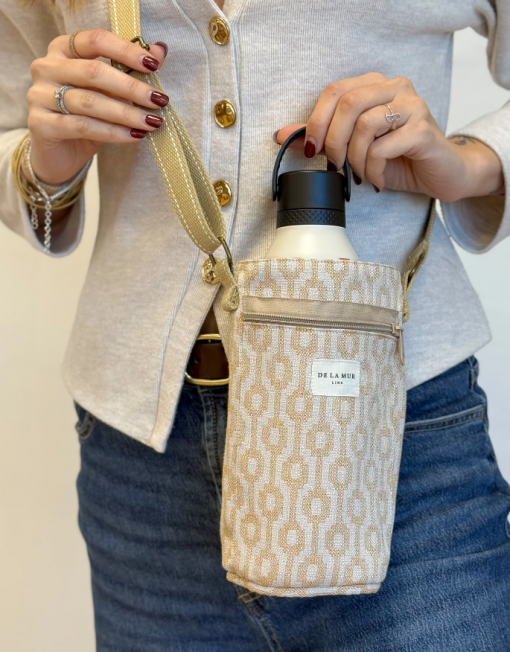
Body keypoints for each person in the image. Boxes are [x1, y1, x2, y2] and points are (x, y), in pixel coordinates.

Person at [1, 0, 510, 648]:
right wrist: (46, 160)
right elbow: (12, 124)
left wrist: (474, 161)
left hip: (398, 447)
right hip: (143, 467)